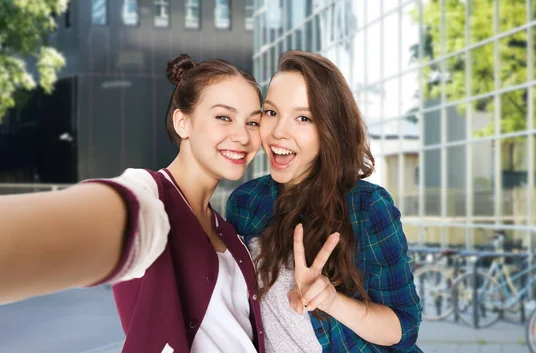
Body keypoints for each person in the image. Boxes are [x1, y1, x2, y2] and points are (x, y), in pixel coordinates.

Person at [0, 54, 266, 353]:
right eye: (224, 117)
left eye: (253, 122)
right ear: (182, 122)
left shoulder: (231, 234)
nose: (243, 135)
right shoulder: (151, 196)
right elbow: (109, 217)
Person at [227, 50, 422, 352]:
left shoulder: (367, 207)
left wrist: (331, 301)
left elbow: (404, 328)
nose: (279, 131)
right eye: (271, 112)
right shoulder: (246, 202)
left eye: (303, 117)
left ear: (329, 129)